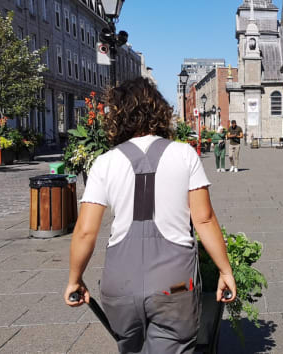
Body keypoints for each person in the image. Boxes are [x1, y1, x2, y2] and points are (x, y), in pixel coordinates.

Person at [63, 78, 237, 354]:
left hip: (120, 285)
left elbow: (85, 230)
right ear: (159, 111)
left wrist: (75, 278)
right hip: (174, 285)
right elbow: (203, 219)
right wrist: (225, 271)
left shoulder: (105, 162)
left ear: (117, 115)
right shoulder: (184, 154)